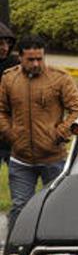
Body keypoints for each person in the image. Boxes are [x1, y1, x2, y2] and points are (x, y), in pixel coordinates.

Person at [0, 35, 78, 227]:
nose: (36, 63)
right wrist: (10, 133)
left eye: (40, 58)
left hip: (53, 158)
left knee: (56, 207)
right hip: (20, 159)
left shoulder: (59, 78)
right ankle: (17, 252)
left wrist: (60, 133)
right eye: (31, 59)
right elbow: (1, 110)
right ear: (20, 58)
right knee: (20, 208)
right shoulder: (9, 78)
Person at [0, 22, 19, 167]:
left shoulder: (16, 65)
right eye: (1, 43)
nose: (5, 48)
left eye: (8, 43)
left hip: (12, 130)